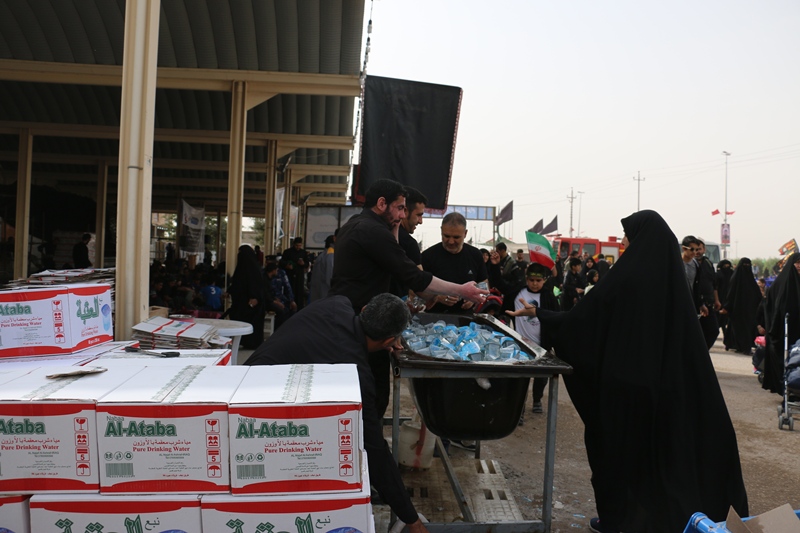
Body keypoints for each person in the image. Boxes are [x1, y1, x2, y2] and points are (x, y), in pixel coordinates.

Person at [509, 210, 748, 533]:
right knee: (661, 458)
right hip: (667, 390)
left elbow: (585, 321)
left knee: (619, 454)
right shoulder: (670, 278)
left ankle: (618, 519)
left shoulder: (627, 275)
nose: (622, 242)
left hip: (627, 386)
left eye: (627, 236)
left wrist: (543, 316)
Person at [243, 294, 428, 533]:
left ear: (364, 309)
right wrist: (412, 520)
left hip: (244, 379)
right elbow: (374, 450)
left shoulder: (336, 303)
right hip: (254, 415)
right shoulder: (353, 372)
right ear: (389, 340)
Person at [329, 179, 487, 423]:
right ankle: (369, 453)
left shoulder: (356, 225)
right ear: (382, 204)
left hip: (351, 322)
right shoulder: (372, 232)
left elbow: (394, 256)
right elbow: (415, 278)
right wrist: (462, 290)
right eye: (400, 208)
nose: (404, 216)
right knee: (371, 399)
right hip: (361, 327)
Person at [512, 262, 560, 420]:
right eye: (531, 280)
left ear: (544, 280)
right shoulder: (518, 292)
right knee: (521, 378)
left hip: (542, 344)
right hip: (521, 346)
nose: (534, 283)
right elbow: (501, 285)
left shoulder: (548, 296)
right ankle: (519, 408)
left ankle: (537, 399)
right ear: (526, 279)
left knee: (541, 376)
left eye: (538, 281)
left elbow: (556, 316)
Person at [421, 212, 488, 314]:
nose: (451, 241)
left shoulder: (475, 255)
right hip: (434, 320)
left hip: (466, 321)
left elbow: (484, 284)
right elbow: (416, 289)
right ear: (441, 231)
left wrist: (474, 298)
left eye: (456, 237)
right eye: (446, 236)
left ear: (465, 234)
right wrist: (437, 297)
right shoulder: (427, 256)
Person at [761, 253, 800, 395]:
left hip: (797, 329)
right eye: (797, 263)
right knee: (782, 358)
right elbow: (770, 306)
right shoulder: (780, 284)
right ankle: (784, 388)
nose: (799, 266)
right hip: (781, 329)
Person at [390, 187, 428, 298]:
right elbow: (420, 283)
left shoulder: (378, 234)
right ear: (405, 211)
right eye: (419, 215)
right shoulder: (409, 244)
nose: (421, 221)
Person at [227, 245, 265, 349]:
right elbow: (237, 282)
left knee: (250, 320)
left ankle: (251, 342)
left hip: (250, 301)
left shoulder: (253, 268)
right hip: (241, 300)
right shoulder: (242, 267)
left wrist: (254, 297)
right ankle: (243, 341)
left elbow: (256, 284)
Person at [721, 258, 760, 354]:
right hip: (737, 309)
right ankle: (741, 346)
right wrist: (727, 306)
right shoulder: (736, 279)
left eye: (748, 265)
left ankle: (743, 346)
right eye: (745, 265)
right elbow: (731, 293)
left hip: (748, 309)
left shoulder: (749, 279)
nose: (746, 267)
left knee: (745, 328)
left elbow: (757, 294)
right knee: (739, 328)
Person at [695, 240, 720, 349]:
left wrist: (716, 300)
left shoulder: (708, 264)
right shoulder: (688, 264)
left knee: (713, 330)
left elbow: (713, 284)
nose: (697, 252)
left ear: (704, 250)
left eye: (699, 249)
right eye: (694, 249)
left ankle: (702, 350)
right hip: (694, 303)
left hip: (708, 303)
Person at [265, 260, 297, 329]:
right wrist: (274, 301)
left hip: (278, 298)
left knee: (290, 308)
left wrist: (291, 300)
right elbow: (265, 293)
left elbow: (287, 287)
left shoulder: (281, 273)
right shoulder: (263, 275)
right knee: (282, 311)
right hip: (269, 300)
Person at [282, 237, 309, 310]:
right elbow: (282, 262)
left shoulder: (303, 253)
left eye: (300, 245)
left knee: (299, 293)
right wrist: (287, 265)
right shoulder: (287, 252)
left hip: (299, 276)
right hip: (290, 276)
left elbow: (307, 263)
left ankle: (299, 308)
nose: (298, 247)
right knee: (289, 292)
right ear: (294, 244)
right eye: (297, 245)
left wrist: (303, 263)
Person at [310, 235, 335, 302]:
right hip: (324, 293)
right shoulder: (330, 255)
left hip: (318, 292)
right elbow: (329, 277)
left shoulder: (324, 255)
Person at [716, 260, 734, 347]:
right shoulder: (719, 275)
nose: (727, 269)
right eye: (725, 266)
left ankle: (727, 339)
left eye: (728, 266)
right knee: (720, 321)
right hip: (720, 300)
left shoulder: (732, 275)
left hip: (729, 300)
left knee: (725, 321)